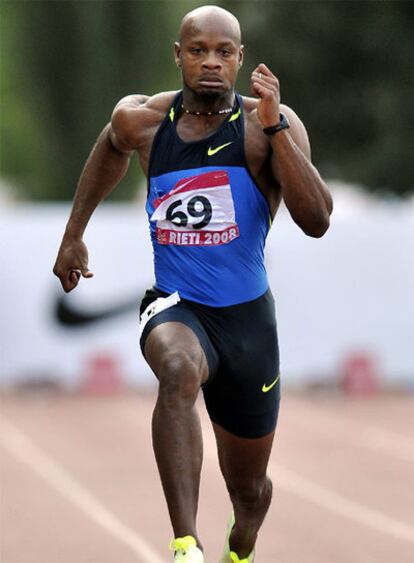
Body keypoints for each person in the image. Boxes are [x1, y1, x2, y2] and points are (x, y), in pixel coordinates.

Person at [53, 5, 333, 562]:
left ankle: (241, 537)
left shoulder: (266, 124)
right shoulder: (143, 122)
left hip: (248, 324)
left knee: (249, 489)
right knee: (178, 370)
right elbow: (110, 148)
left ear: (239, 60)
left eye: (223, 52)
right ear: (178, 56)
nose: (211, 62)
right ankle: (186, 544)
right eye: (198, 50)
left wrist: (278, 129)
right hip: (177, 305)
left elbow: (318, 219)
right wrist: (74, 234)